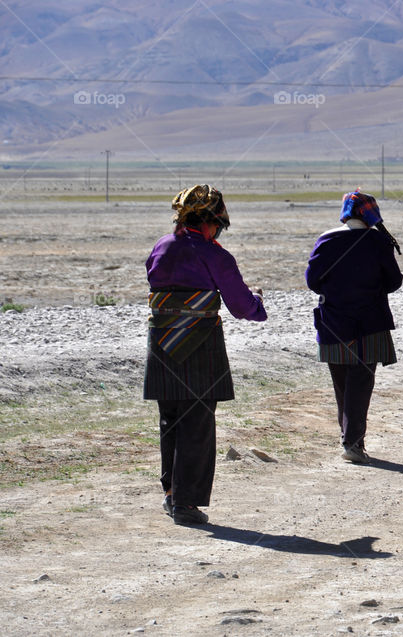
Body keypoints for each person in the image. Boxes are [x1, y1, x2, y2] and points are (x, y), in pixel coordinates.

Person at [144, 184, 267, 526]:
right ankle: (185, 502)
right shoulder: (214, 254)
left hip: (163, 342)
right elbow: (242, 307)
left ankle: (171, 493)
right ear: (212, 220)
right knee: (197, 422)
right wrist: (257, 302)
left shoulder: (161, 246)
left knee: (170, 418)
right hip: (200, 343)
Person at [306, 191, 403, 464]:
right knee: (360, 384)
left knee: (342, 385)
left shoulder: (327, 240)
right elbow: (394, 282)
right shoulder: (379, 241)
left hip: (333, 323)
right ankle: (352, 441)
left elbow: (313, 281)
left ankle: (350, 438)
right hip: (370, 325)